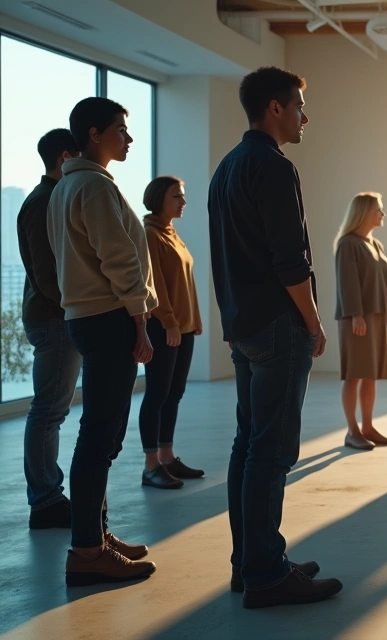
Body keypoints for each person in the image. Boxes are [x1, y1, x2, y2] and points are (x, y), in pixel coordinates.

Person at [209, 66, 341, 608]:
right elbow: (292, 264)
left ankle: (252, 563)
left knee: (249, 445)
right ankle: (266, 573)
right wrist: (312, 323)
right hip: (277, 326)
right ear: (274, 108)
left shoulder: (227, 168)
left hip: (244, 326)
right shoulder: (273, 167)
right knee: (273, 450)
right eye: (299, 106)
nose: (305, 116)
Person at [48, 97, 158, 586]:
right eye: (121, 129)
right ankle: (88, 550)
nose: (128, 138)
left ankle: (95, 534)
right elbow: (119, 259)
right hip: (108, 317)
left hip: (87, 316)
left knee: (101, 434)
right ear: (94, 134)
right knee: (100, 436)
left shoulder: (68, 185)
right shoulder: (92, 186)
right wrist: (139, 322)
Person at [17, 128, 81, 530]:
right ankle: (44, 500)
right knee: (49, 411)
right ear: (64, 158)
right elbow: (46, 275)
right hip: (54, 318)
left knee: (51, 410)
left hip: (54, 316)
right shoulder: (43, 202)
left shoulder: (50, 198)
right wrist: (78, 308)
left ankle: (46, 496)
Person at [139, 176, 205, 489]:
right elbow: (155, 285)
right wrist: (168, 321)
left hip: (184, 325)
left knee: (174, 393)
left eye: (183, 196)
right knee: (157, 394)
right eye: (176, 196)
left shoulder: (172, 233)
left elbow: (184, 280)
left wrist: (195, 317)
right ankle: (151, 465)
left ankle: (167, 457)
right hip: (165, 326)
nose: (183, 202)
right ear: (158, 199)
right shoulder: (150, 234)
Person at [334, 192, 387, 450]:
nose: (382, 214)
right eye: (378, 210)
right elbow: (347, 283)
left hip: (378, 316)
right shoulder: (349, 244)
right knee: (355, 374)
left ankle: (368, 426)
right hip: (358, 318)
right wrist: (356, 315)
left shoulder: (375, 244)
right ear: (364, 213)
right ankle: (352, 431)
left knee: (370, 374)